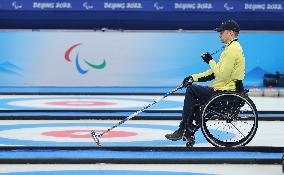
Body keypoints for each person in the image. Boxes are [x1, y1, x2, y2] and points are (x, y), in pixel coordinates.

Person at [165, 19, 246, 145]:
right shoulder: (230, 48)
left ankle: (184, 128)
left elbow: (222, 75)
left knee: (192, 90)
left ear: (230, 33)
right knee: (194, 91)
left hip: (227, 93)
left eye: (221, 32)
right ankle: (188, 129)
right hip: (225, 90)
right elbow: (215, 73)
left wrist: (210, 61)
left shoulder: (232, 50)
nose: (219, 35)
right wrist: (193, 77)